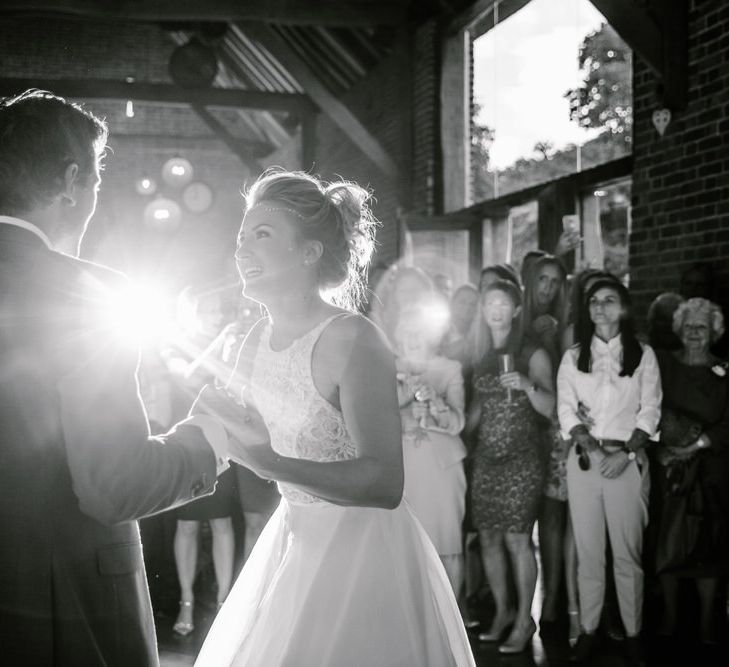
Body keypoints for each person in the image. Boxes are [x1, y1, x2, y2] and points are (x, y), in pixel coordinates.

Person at [0, 90, 246, 665]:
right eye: (95, 179)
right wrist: (210, 438)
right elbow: (113, 484)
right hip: (62, 610)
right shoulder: (89, 295)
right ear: (70, 182)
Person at [194, 170, 476, 666]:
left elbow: (385, 483)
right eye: (241, 237)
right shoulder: (253, 340)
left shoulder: (355, 339)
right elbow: (224, 433)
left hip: (363, 551)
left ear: (309, 252)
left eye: (261, 236)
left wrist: (274, 465)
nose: (241, 251)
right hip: (292, 541)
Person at [557, 278, 662, 665]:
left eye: (609, 300)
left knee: (627, 554)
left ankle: (633, 633)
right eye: (594, 302)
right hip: (585, 462)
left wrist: (627, 452)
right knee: (589, 553)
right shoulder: (573, 356)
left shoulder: (642, 355)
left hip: (626, 461)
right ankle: (588, 630)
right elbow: (566, 408)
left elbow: (650, 410)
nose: (600, 307)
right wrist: (587, 442)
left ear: (623, 307)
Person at [465, 279, 555, 654]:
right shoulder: (480, 353)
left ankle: (524, 621)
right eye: (490, 304)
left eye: (503, 303)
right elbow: (474, 414)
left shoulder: (532, 352)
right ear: (483, 311)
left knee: (518, 540)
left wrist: (526, 384)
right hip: (486, 457)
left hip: (523, 457)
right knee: (487, 537)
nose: (496, 309)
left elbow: (551, 408)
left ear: (516, 310)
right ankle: (502, 612)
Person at [650, 298, 729, 647]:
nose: (695, 333)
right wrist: (662, 451)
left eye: (703, 327)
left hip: (710, 471)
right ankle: (669, 615)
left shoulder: (724, 371)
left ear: (714, 332)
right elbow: (647, 409)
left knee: (707, 547)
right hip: (670, 470)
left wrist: (696, 446)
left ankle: (707, 621)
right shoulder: (664, 366)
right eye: (689, 326)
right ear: (679, 331)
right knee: (668, 542)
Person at [163, 288, 237, 636]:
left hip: (222, 441)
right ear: (192, 313)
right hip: (188, 444)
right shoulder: (174, 346)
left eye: (220, 312)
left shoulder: (228, 347)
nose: (217, 317)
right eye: (210, 311)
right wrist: (220, 340)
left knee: (222, 523)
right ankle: (186, 601)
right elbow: (188, 376)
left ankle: (223, 600)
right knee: (188, 526)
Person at [393, 302, 468, 600]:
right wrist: (404, 404)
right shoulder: (387, 367)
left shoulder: (450, 369)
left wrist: (436, 402)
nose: (413, 338)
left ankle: (454, 626)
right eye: (407, 332)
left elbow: (458, 422)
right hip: (402, 464)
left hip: (442, 466)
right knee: (405, 547)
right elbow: (374, 416)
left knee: (447, 546)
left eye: (419, 332)